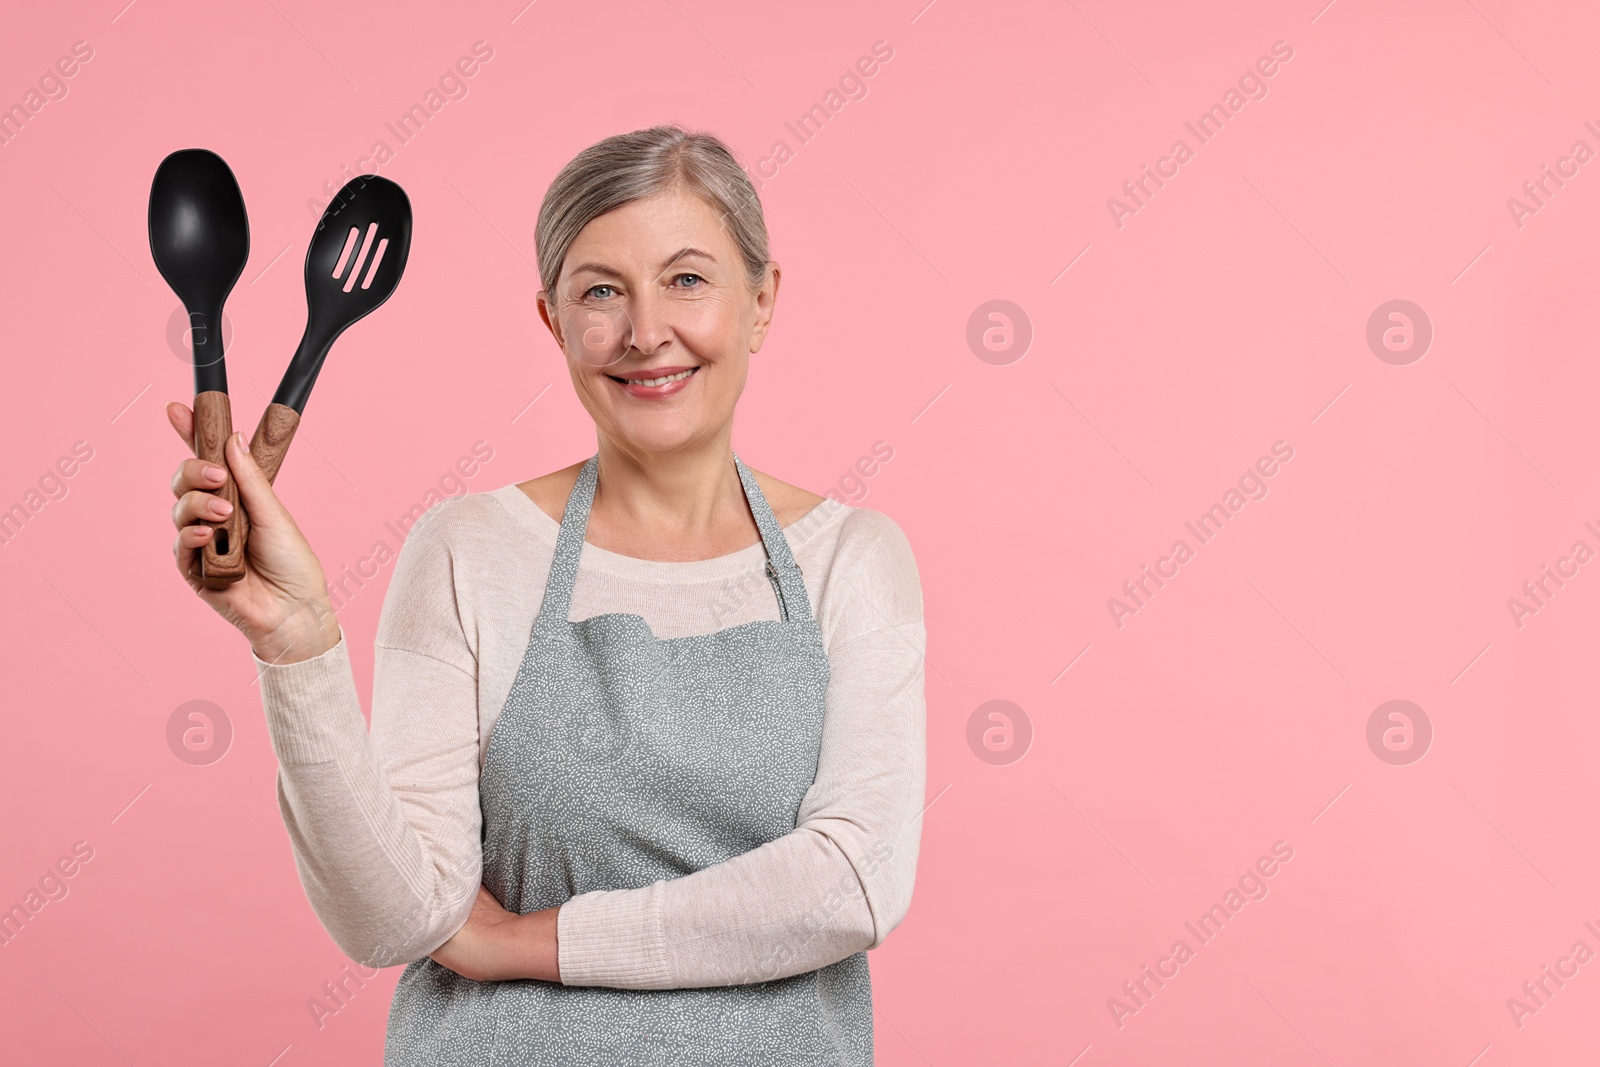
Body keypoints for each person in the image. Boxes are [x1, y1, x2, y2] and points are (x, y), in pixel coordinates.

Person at [165, 123, 927, 1065]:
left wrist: (525, 942)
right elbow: (395, 918)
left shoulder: (853, 559)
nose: (647, 331)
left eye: (688, 279)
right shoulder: (466, 549)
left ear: (763, 301)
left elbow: (851, 882)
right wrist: (297, 643)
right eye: (601, 291)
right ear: (552, 321)